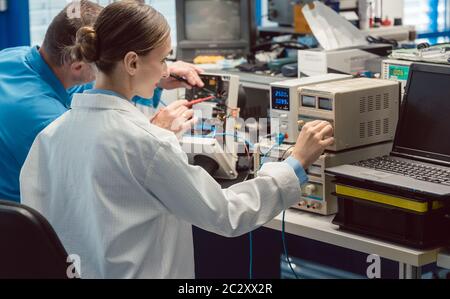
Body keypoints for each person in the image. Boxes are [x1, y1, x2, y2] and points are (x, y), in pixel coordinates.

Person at [20, 2, 334, 279]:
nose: (167, 70)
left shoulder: (50, 136)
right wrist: (295, 164)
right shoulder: (147, 143)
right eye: (163, 58)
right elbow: (225, 214)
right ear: (131, 63)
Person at [0, 0, 203, 202]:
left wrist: (150, 77)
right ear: (79, 65)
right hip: (27, 224)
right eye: (102, 60)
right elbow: (111, 178)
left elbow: (75, 89)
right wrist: (157, 135)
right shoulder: (47, 123)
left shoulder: (15, 57)